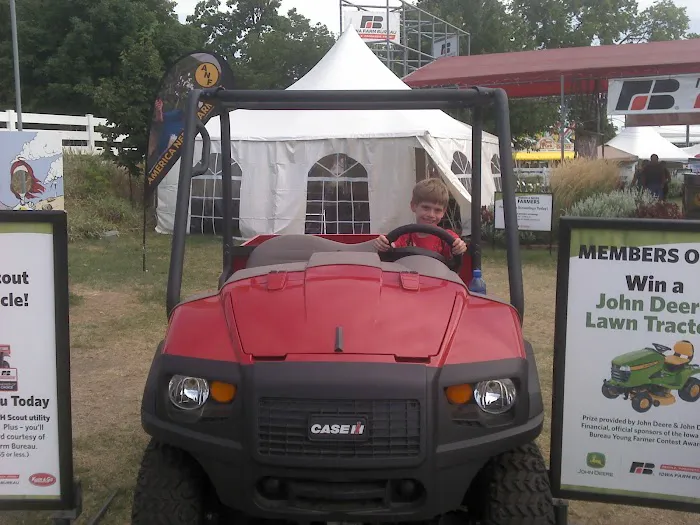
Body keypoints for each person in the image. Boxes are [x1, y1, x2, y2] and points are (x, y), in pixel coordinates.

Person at [373, 178, 468, 259]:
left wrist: (459, 247)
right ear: (413, 206)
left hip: (438, 279)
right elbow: (390, 248)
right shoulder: (404, 237)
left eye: (437, 210)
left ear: (443, 212)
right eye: (426, 208)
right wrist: (383, 245)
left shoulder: (447, 238)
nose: (431, 214)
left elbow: (458, 246)